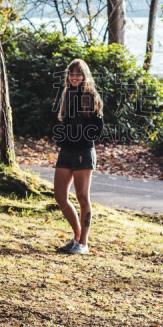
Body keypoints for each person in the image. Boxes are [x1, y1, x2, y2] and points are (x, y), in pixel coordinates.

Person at [52, 59, 104, 255]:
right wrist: (62, 138)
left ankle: (84, 243)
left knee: (82, 197)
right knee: (60, 196)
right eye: (71, 74)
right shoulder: (67, 94)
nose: (74, 77)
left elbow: (98, 130)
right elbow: (65, 121)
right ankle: (76, 236)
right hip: (66, 151)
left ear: (84, 76)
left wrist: (81, 137)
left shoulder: (90, 96)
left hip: (83, 152)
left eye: (78, 74)